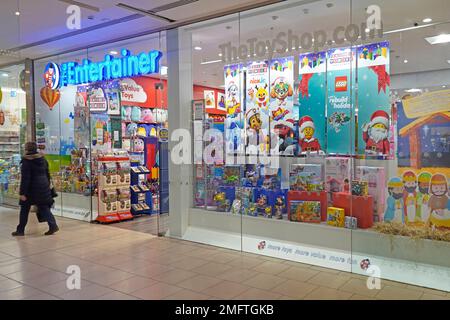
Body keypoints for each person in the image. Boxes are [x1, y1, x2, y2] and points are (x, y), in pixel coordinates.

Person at [12, 142, 59, 236]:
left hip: (31, 189)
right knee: (44, 207)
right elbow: (47, 173)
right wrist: (48, 185)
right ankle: (53, 225)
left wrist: (22, 193)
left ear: (26, 149)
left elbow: (26, 178)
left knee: (24, 209)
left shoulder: (26, 161)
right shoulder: (42, 159)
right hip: (43, 186)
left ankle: (20, 230)